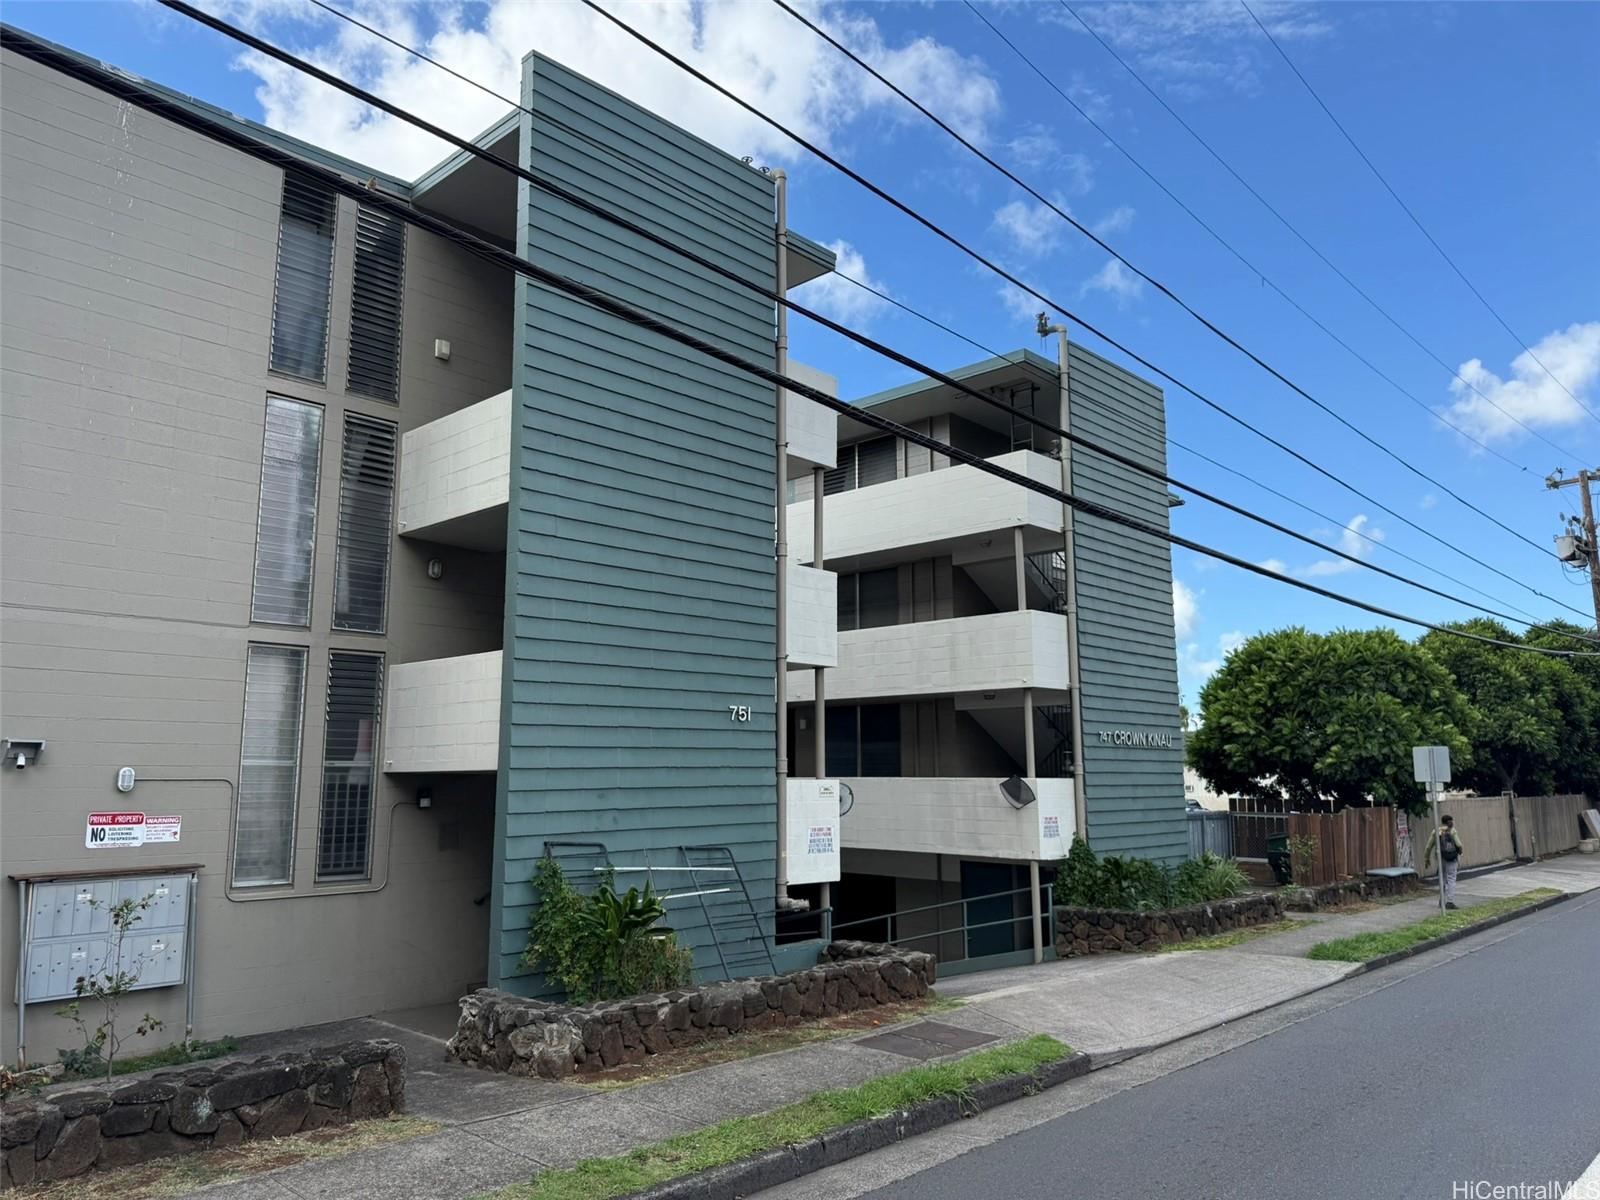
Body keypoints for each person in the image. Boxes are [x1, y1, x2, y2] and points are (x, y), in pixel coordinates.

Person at [1424, 814, 1465, 909]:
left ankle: (1442, 901)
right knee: (1451, 879)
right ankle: (1450, 902)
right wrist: (1460, 852)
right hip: (1451, 858)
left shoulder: (1436, 831)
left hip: (1440, 858)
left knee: (1442, 879)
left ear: (1442, 822)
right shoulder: (1452, 831)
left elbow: (1428, 847)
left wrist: (1427, 858)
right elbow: (1459, 844)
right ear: (1450, 822)